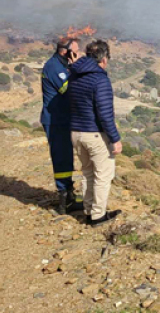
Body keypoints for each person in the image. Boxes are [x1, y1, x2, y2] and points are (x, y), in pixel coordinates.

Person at [68, 40, 123, 226]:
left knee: (88, 172)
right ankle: (98, 215)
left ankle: (88, 210)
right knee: (103, 175)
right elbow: (105, 114)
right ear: (104, 59)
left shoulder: (74, 74)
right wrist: (115, 139)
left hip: (76, 132)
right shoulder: (100, 79)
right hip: (94, 134)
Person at [40, 37, 84, 214]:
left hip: (63, 119)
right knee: (61, 158)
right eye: (76, 51)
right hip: (55, 120)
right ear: (66, 52)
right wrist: (77, 67)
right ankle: (64, 201)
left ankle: (69, 195)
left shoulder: (62, 65)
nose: (78, 54)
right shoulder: (54, 67)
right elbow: (70, 90)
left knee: (67, 158)